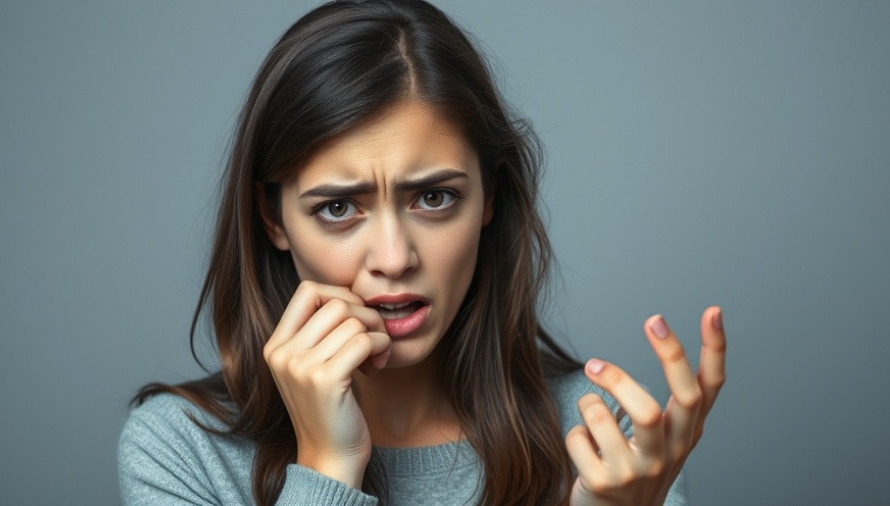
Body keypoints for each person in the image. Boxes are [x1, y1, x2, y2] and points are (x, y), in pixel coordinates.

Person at [118, 1, 727, 504]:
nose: (392, 257)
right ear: (273, 218)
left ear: (491, 197)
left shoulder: (606, 437)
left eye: (433, 197)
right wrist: (327, 467)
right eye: (337, 208)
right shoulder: (179, 450)